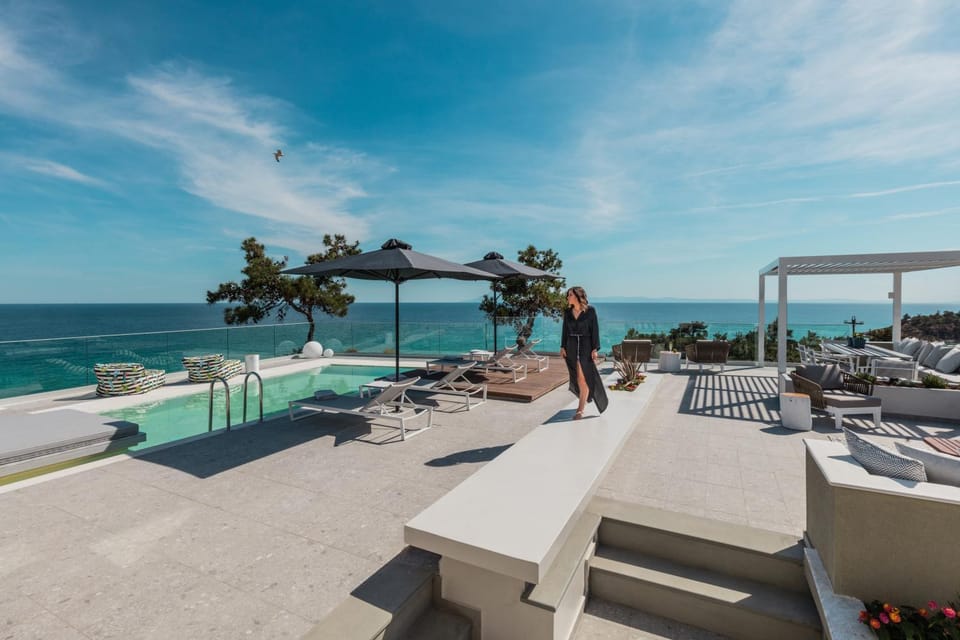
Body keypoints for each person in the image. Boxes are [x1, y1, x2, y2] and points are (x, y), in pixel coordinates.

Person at [559, 286, 608, 419]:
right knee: (576, 377)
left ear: (577, 296)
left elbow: (595, 330)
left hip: (586, 346)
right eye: (568, 295)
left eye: (570, 295)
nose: (568, 297)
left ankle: (580, 409)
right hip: (571, 346)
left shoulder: (590, 311)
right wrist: (562, 346)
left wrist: (595, 348)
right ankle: (583, 399)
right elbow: (565, 330)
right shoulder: (567, 312)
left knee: (584, 376)